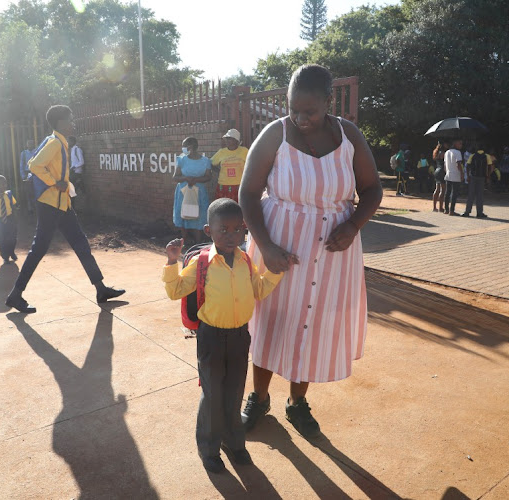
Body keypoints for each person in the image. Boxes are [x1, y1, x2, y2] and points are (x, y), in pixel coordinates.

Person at [239, 64, 382, 438]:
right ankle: (258, 396)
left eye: (310, 111)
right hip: (278, 252)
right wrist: (266, 246)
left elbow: (372, 190)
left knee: (313, 326)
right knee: (271, 322)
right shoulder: (275, 134)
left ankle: (297, 402)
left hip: (333, 255)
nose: (301, 118)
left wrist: (352, 226)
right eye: (293, 109)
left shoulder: (349, 135)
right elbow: (248, 193)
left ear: (328, 102)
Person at [163, 198, 284, 473]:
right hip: (211, 338)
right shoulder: (202, 262)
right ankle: (209, 448)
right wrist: (172, 263)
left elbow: (260, 289)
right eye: (223, 230)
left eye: (237, 230)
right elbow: (175, 291)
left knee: (234, 391)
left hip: (240, 336)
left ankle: (234, 443)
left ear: (244, 230)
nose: (231, 236)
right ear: (209, 230)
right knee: (212, 394)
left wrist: (277, 271)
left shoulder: (244, 260)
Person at [6, 105, 124, 313]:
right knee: (38, 250)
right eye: (70, 119)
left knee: (81, 245)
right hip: (51, 205)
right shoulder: (54, 142)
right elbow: (34, 165)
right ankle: (16, 294)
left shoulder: (59, 141)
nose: (73, 123)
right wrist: (54, 182)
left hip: (62, 205)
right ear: (60, 122)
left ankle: (100, 288)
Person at [172, 136, 212, 245]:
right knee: (183, 214)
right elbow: (175, 177)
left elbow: (208, 177)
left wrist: (196, 180)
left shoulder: (205, 161)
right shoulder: (181, 159)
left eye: (184, 146)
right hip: (183, 192)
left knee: (199, 215)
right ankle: (184, 241)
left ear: (191, 147)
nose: (183, 148)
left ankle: (198, 243)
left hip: (199, 193)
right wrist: (186, 178)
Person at [210, 129, 248, 202]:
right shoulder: (221, 152)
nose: (226, 141)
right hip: (223, 185)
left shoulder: (244, 151)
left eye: (229, 139)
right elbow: (211, 163)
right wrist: (219, 171)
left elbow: (250, 165)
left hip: (239, 185)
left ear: (236, 140)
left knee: (237, 208)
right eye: (226, 139)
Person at [461, 144, 491, 218]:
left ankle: (467, 212)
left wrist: (468, 176)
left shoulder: (473, 155)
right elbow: (489, 166)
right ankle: (479, 213)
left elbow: (467, 166)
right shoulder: (487, 156)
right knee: (480, 196)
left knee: (471, 195)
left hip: (473, 177)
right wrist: (488, 176)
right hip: (482, 177)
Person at [444, 139, 464, 215]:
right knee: (454, 193)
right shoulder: (458, 152)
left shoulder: (447, 152)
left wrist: (447, 171)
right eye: (460, 143)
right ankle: (451, 211)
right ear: (455, 144)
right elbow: (458, 164)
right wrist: (462, 173)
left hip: (448, 174)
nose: (461, 145)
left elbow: (445, 165)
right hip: (455, 175)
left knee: (447, 192)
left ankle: (446, 209)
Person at [20, 139, 37, 214]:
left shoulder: (37, 151)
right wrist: (23, 175)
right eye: (29, 144)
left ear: (34, 144)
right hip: (27, 173)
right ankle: (30, 207)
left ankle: (37, 206)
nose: (30, 145)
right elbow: (22, 165)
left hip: (36, 173)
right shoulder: (23, 153)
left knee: (36, 190)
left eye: (31, 143)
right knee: (28, 191)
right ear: (26, 145)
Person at [432, 141, 447, 212]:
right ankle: (441, 207)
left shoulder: (436, 152)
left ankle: (434, 207)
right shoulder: (443, 153)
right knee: (443, 190)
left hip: (437, 170)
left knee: (437, 189)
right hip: (442, 171)